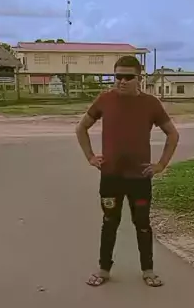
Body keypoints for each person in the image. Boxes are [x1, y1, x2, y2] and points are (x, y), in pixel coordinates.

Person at [76, 55, 179, 287]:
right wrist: (91, 157)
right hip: (111, 177)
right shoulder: (105, 100)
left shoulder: (151, 104)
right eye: (118, 76)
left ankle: (148, 270)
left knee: (142, 224)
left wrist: (161, 164)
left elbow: (173, 134)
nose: (122, 81)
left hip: (139, 178)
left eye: (128, 77)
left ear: (139, 78)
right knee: (109, 222)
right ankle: (103, 270)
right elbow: (81, 128)